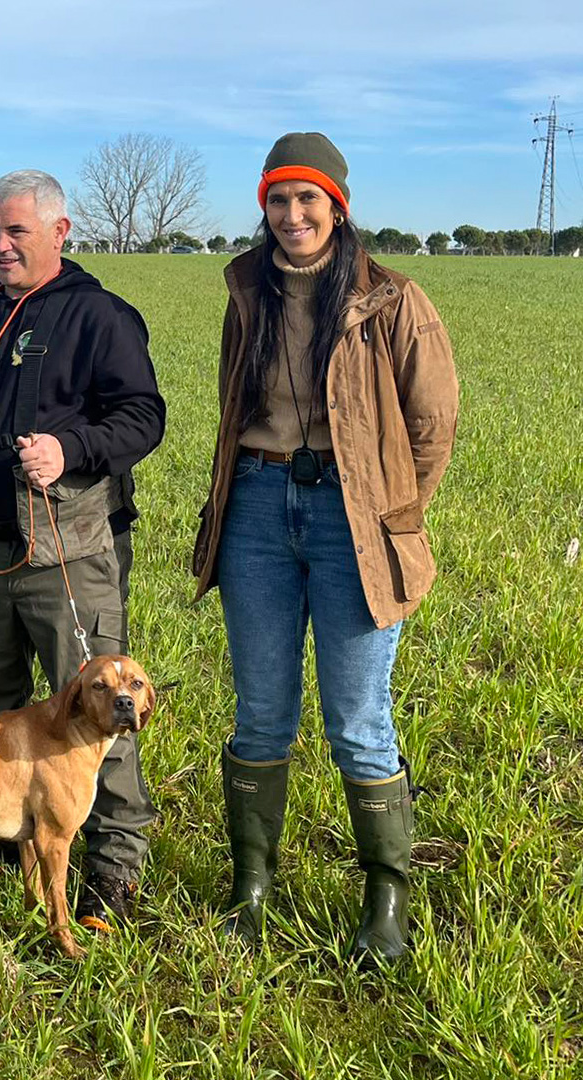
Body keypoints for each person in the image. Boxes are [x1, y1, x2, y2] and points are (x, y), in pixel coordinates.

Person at [191, 133, 458, 966]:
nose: (293, 215)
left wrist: (388, 512)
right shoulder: (246, 291)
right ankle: (253, 885)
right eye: (279, 199)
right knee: (261, 713)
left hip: (354, 519)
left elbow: (432, 423)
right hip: (258, 513)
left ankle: (386, 897)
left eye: (309, 199)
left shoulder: (393, 299)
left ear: (337, 206)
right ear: (264, 207)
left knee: (358, 721)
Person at [0, 169, 165, 931]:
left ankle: (112, 865)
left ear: (60, 232)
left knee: (99, 713)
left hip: (67, 550)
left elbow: (144, 416)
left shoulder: (100, 317)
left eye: (16, 231)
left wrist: (72, 446)